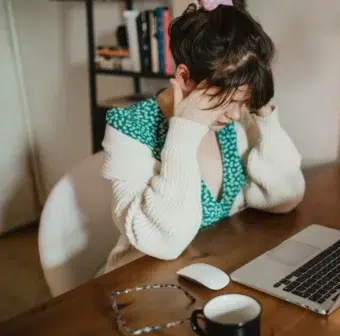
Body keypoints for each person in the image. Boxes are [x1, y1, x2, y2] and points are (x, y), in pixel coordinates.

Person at [99, 0, 305, 274]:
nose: (234, 114)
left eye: (243, 101)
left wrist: (263, 112)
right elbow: (165, 242)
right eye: (226, 101)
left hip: (217, 265)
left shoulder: (236, 117)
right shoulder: (129, 128)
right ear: (184, 78)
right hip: (143, 281)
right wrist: (184, 130)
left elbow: (285, 198)